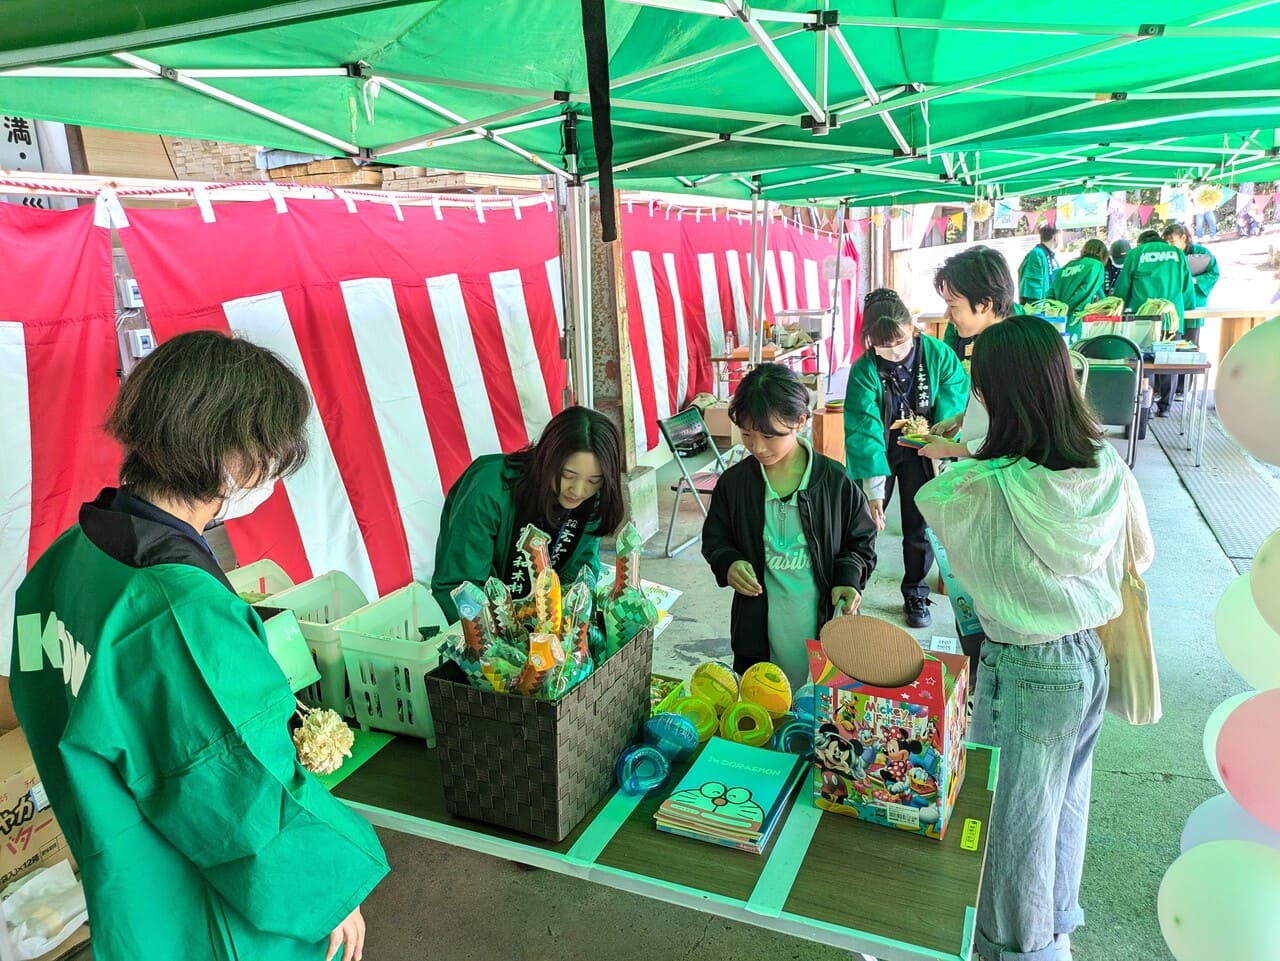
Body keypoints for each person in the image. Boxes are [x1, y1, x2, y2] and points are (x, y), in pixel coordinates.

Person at [7, 331, 388, 961]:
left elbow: (43, 699)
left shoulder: (65, 560)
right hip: (201, 900)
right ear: (231, 456)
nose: (270, 472)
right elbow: (236, 782)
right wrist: (324, 885)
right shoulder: (179, 613)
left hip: (124, 871)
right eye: (269, 452)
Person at [916, 315, 1153, 961]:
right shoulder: (1105, 463)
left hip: (1026, 668)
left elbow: (944, 517)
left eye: (980, 389)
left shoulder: (983, 488)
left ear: (999, 397)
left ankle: (1015, 949)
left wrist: (961, 446)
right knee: (1064, 805)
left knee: (1011, 829)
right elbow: (1141, 552)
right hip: (1088, 656)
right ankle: (1054, 928)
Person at [702, 363, 876, 686]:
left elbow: (861, 540)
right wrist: (729, 562)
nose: (757, 447)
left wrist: (849, 579)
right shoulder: (735, 485)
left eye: (769, 435)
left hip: (821, 623)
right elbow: (715, 538)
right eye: (747, 434)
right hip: (757, 631)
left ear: (800, 422)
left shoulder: (833, 482)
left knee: (819, 703)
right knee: (765, 700)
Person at [842, 289, 968, 629]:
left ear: (912, 326)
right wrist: (874, 490)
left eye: (899, 341)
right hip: (882, 450)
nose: (894, 350)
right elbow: (864, 428)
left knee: (918, 525)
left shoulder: (938, 355)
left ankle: (915, 592)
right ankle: (851, 589)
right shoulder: (864, 370)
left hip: (924, 449)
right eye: (884, 344)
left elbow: (955, 399)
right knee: (863, 523)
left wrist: (944, 444)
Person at [431, 405, 623, 621]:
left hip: (540, 624)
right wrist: (499, 635)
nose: (578, 491)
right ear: (547, 457)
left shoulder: (592, 501)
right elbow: (460, 586)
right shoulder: (489, 490)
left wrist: (567, 622)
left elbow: (579, 577)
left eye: (594, 480)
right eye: (568, 475)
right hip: (480, 624)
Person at [1113, 227, 1195, 416]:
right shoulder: (1177, 253)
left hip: (1144, 318)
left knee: (1144, 362)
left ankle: (1145, 407)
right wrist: (1188, 307)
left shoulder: (1136, 254)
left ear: (1141, 242)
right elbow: (1186, 286)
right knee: (1169, 362)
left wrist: (1118, 307)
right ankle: (1165, 407)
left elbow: (1123, 288)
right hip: (1172, 318)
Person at [1046, 238, 1109, 340]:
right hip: (1075, 318)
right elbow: (1085, 291)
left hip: (1058, 318)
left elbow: (1051, 292)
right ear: (1104, 254)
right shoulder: (1096, 265)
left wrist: (1057, 311)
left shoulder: (1067, 266)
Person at [1017, 225, 1060, 303]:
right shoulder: (1036, 254)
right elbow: (1031, 289)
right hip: (1040, 306)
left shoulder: (1049, 255)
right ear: (1055, 237)